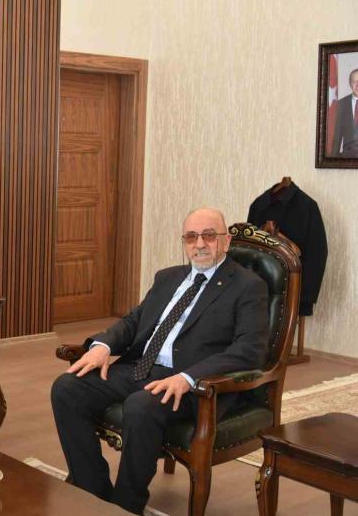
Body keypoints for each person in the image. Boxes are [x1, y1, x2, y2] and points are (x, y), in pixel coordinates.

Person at [51, 208, 268, 514]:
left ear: (226, 241)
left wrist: (188, 378)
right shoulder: (168, 277)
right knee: (67, 388)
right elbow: (133, 322)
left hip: (195, 385)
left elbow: (249, 349)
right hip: (141, 368)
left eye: (208, 235)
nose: (199, 244)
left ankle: (126, 506)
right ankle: (94, 494)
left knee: (141, 405)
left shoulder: (247, 286)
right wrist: (102, 345)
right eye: (191, 237)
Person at [330, 67, 358, 156]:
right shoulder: (342, 104)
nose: (357, 85)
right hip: (347, 156)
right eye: (354, 82)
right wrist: (333, 159)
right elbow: (337, 135)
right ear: (350, 84)